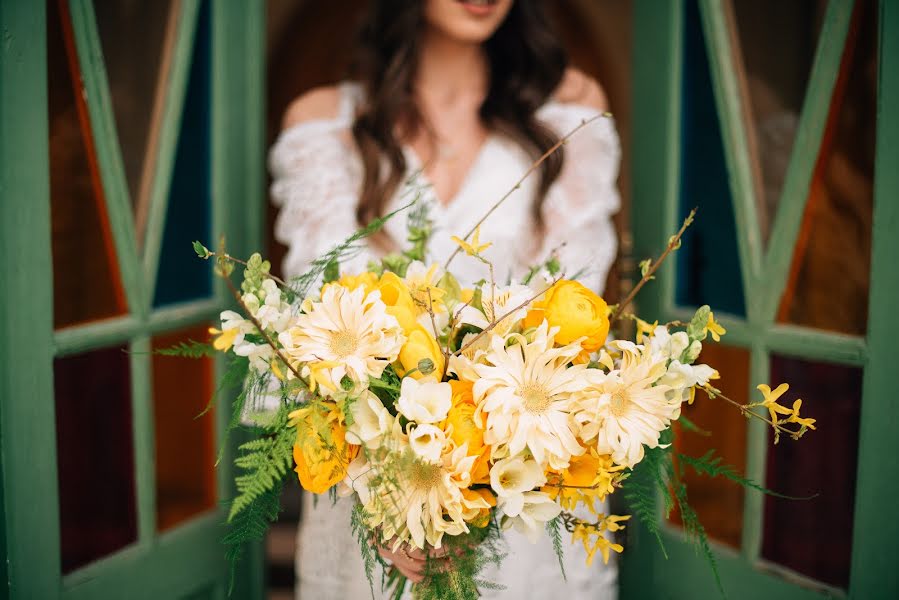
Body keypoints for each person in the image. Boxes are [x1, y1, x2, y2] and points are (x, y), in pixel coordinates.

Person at [269, 1, 621, 597]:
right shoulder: (324, 125)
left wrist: (481, 482)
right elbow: (315, 328)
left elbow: (573, 320)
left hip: (522, 482)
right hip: (370, 488)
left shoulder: (569, 112)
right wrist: (391, 493)